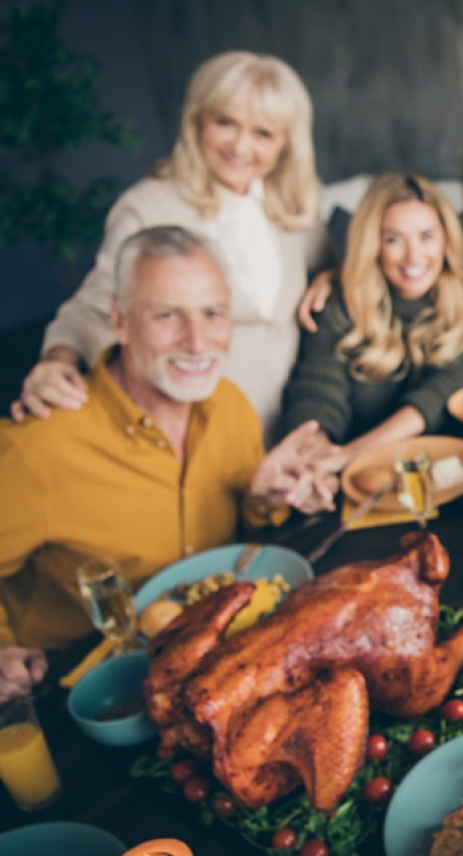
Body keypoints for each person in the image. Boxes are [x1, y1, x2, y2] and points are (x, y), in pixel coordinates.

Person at [0, 226, 339, 697]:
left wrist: (267, 497)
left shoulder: (229, 405)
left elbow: (246, 538)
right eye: (167, 315)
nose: (198, 341)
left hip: (211, 668)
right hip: (79, 688)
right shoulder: (39, 445)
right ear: (119, 320)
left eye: (213, 313)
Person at [14, 51, 325, 436]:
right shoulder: (149, 208)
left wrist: (331, 274)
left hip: (292, 436)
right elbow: (92, 310)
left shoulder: (295, 208)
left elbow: (346, 266)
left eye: (263, 133)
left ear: (285, 145)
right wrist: (57, 362)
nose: (241, 147)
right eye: (225, 123)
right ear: (197, 122)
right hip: (199, 437)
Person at [279, 172, 463, 459]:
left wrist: (350, 453)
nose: (413, 257)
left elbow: (436, 395)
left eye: (426, 236)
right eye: (394, 239)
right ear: (373, 243)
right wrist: (316, 449)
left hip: (442, 463)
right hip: (354, 471)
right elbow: (318, 390)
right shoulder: (339, 303)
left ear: (446, 238)